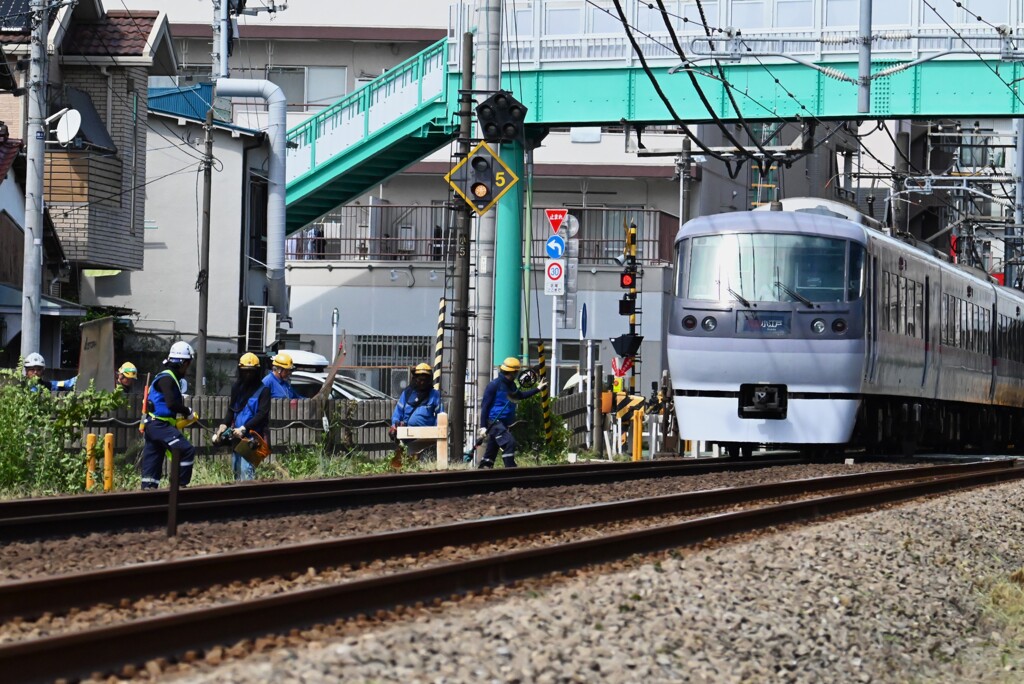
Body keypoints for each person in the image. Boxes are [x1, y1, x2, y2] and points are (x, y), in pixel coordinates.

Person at [140, 341, 197, 490]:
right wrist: (187, 411)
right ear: (184, 363)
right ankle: (179, 488)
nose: (188, 368)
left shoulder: (165, 377)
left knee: (152, 464)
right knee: (186, 450)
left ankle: (148, 493)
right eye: (188, 364)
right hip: (159, 425)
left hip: (152, 425)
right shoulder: (167, 379)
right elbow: (171, 404)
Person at [477, 357, 546, 468]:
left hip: (503, 423)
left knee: (491, 451)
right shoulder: (494, 385)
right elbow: (485, 406)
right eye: (516, 372)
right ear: (513, 372)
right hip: (494, 421)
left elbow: (520, 396)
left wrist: (537, 389)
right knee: (509, 442)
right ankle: (511, 469)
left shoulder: (511, 385)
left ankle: (484, 470)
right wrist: (483, 426)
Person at [216, 353, 271, 481]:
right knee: (236, 470)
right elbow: (232, 409)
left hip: (253, 438)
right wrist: (224, 425)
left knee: (247, 472)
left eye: (251, 372)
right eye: (245, 372)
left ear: (257, 372)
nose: (248, 375)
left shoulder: (264, 390)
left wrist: (244, 428)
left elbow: (262, 414)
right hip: (237, 437)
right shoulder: (237, 388)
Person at [389, 363, 443, 442]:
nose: (422, 382)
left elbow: (440, 415)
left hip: (426, 439)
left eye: (425, 380)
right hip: (407, 438)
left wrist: (435, 433)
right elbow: (398, 412)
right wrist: (394, 426)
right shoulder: (407, 393)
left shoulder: (434, 394)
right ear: (415, 378)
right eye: (420, 379)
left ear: (429, 380)